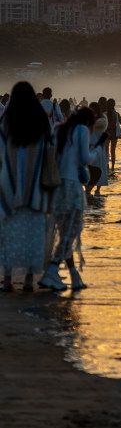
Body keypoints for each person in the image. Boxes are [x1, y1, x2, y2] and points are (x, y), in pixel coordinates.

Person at [39, 107, 108, 291]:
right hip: (71, 186)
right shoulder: (83, 129)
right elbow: (85, 159)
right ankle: (51, 272)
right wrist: (99, 149)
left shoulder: (59, 129)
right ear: (88, 122)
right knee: (72, 230)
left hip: (57, 186)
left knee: (64, 232)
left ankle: (74, 276)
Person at [0, 82, 51, 292]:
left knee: (9, 232)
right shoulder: (42, 122)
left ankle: (9, 279)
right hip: (36, 187)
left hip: (9, 185)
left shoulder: (6, 122)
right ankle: (30, 279)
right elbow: (50, 151)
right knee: (33, 234)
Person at [86, 102, 108, 196]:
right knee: (96, 167)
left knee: (95, 167)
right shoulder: (100, 119)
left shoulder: (100, 120)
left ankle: (92, 188)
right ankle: (94, 188)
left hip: (94, 146)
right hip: (96, 146)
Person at [106, 98, 121, 172]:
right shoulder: (116, 114)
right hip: (114, 134)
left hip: (106, 134)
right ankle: (113, 167)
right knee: (113, 151)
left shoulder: (104, 114)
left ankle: (106, 166)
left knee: (106, 151)